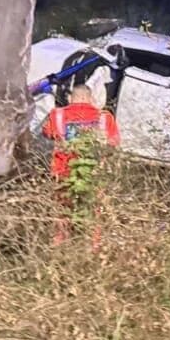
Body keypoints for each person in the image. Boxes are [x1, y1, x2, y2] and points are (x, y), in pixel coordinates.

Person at [41, 85, 120, 244]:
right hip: (93, 174)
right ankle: (92, 249)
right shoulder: (105, 118)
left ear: (71, 98)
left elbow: (47, 133)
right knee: (94, 213)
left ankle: (59, 247)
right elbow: (113, 144)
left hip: (63, 174)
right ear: (91, 99)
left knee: (62, 213)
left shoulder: (57, 115)